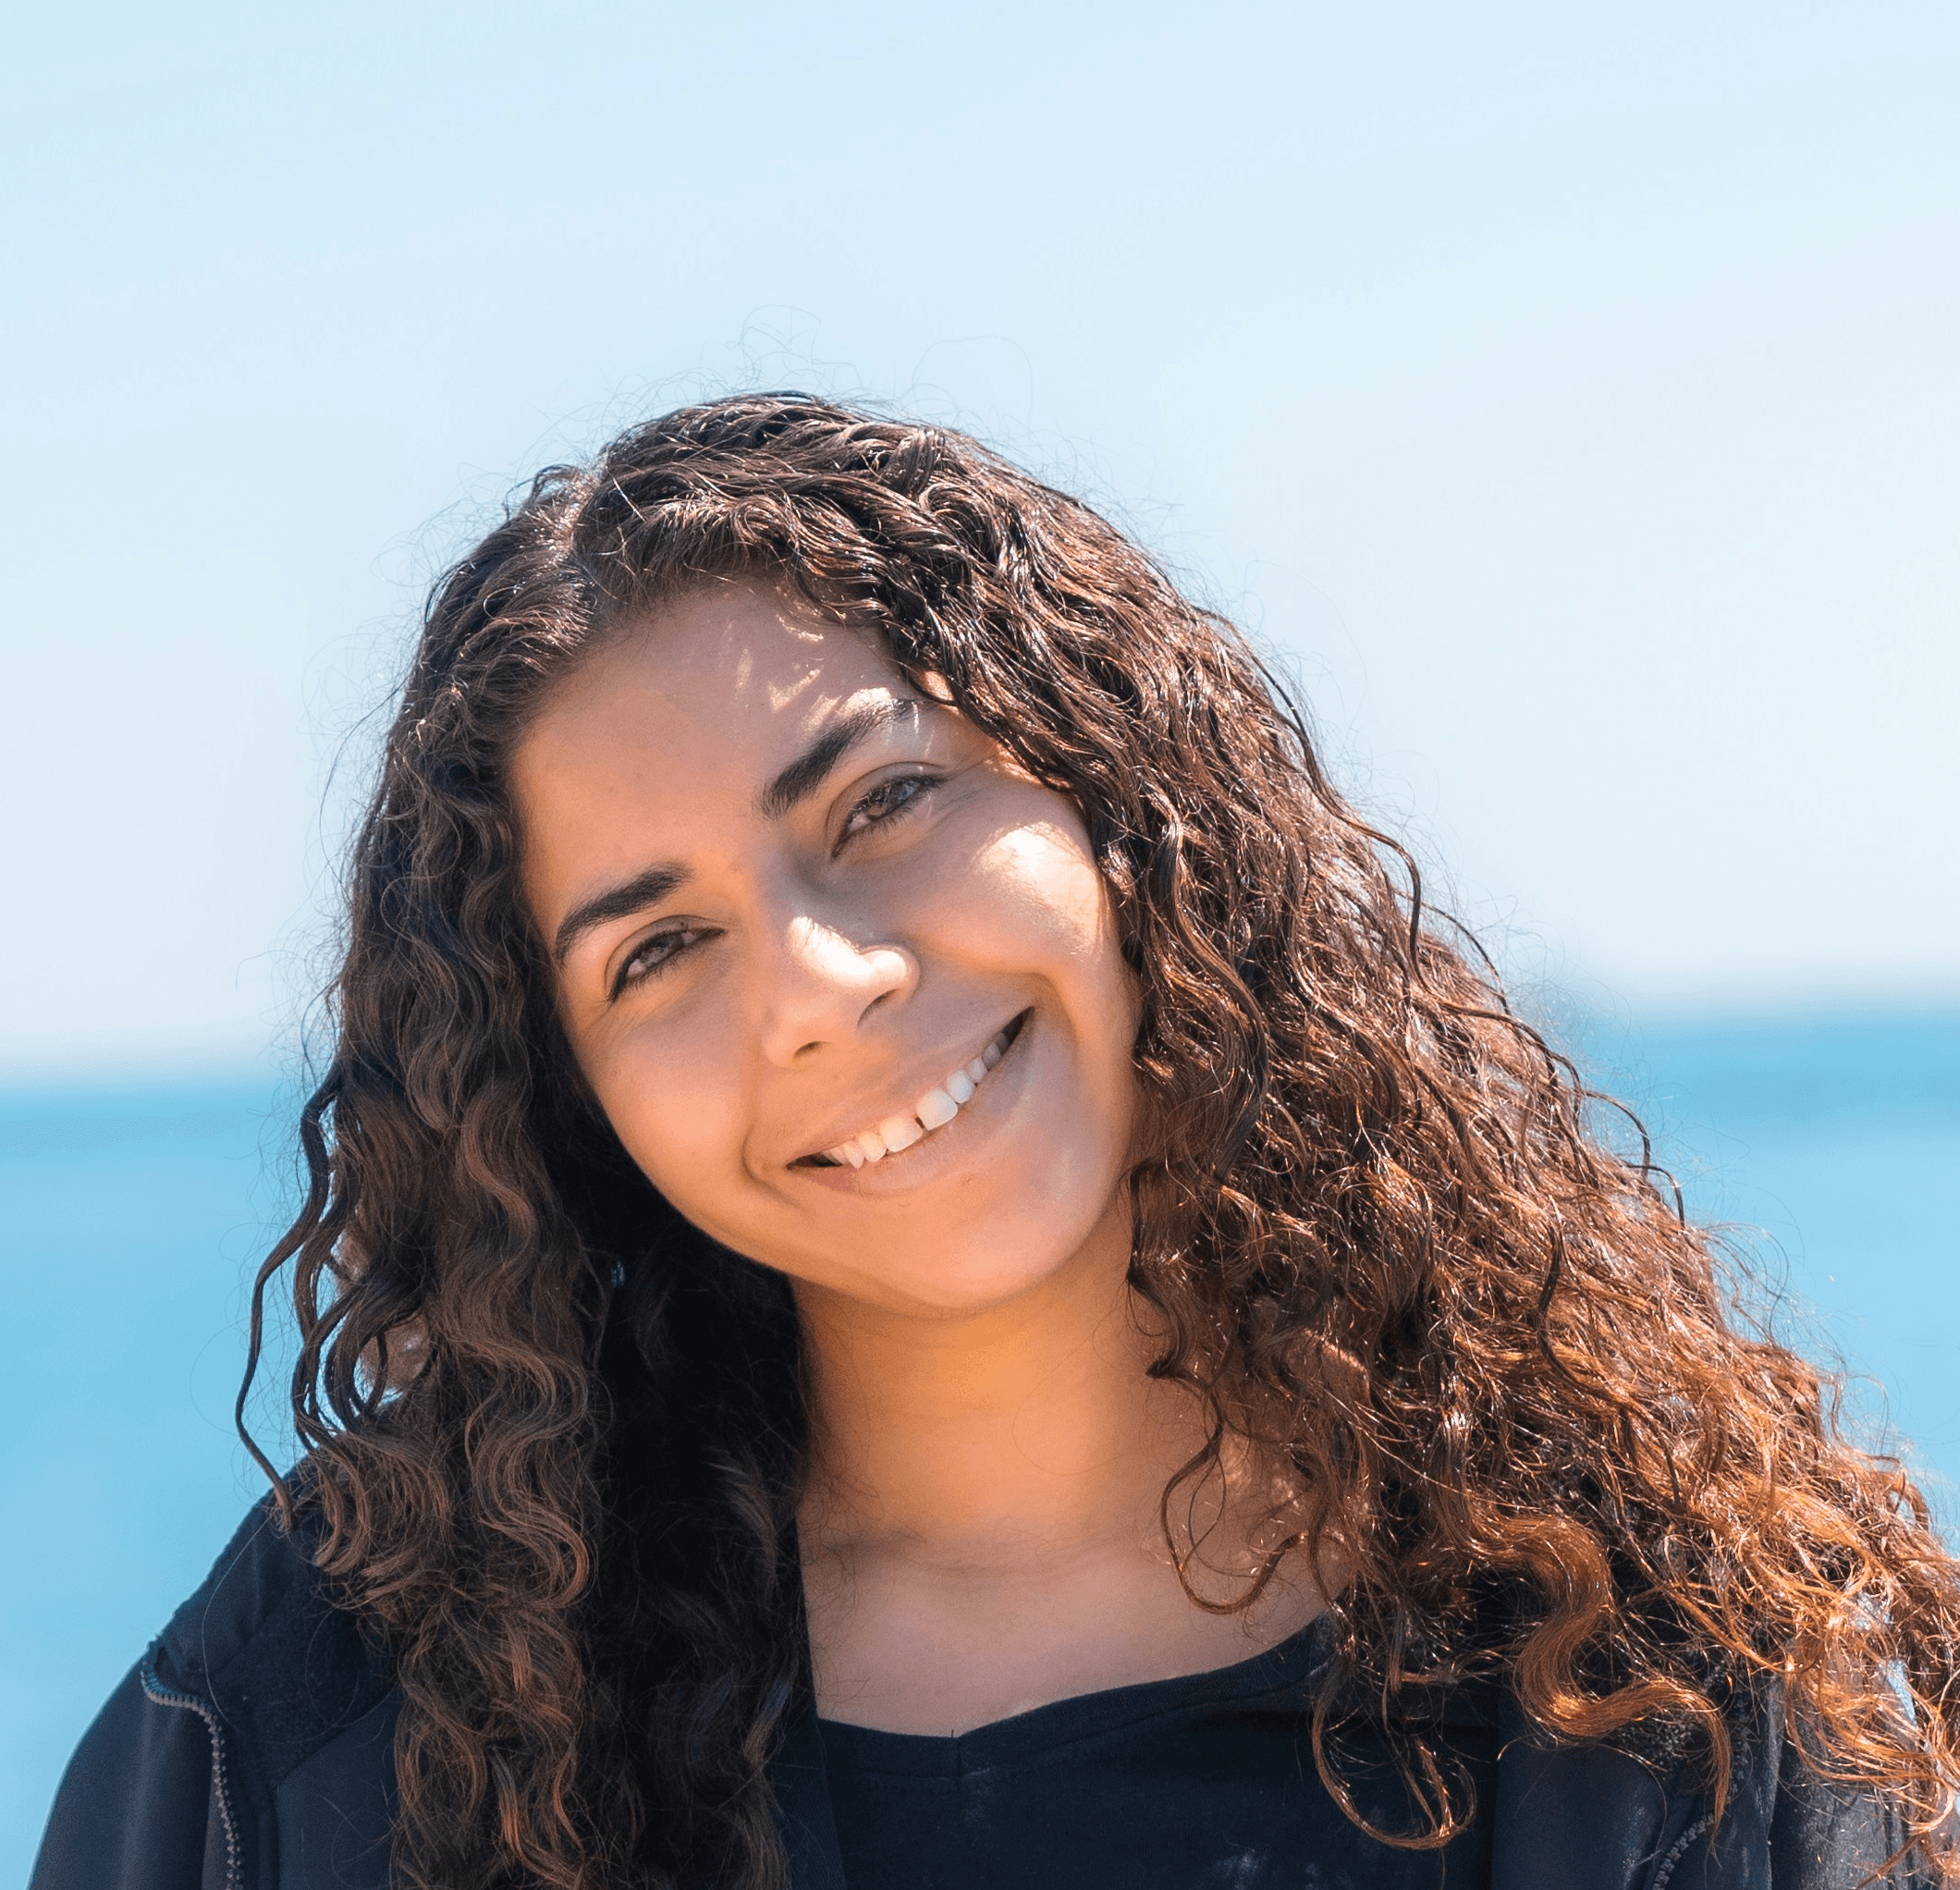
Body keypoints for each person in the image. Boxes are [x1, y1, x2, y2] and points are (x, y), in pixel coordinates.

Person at [31, 394, 1960, 1890]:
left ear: (1121, 810)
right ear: (571, 1100)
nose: (821, 979)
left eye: (880, 806)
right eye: (662, 945)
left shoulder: (1644, 1685)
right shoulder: (348, 1688)